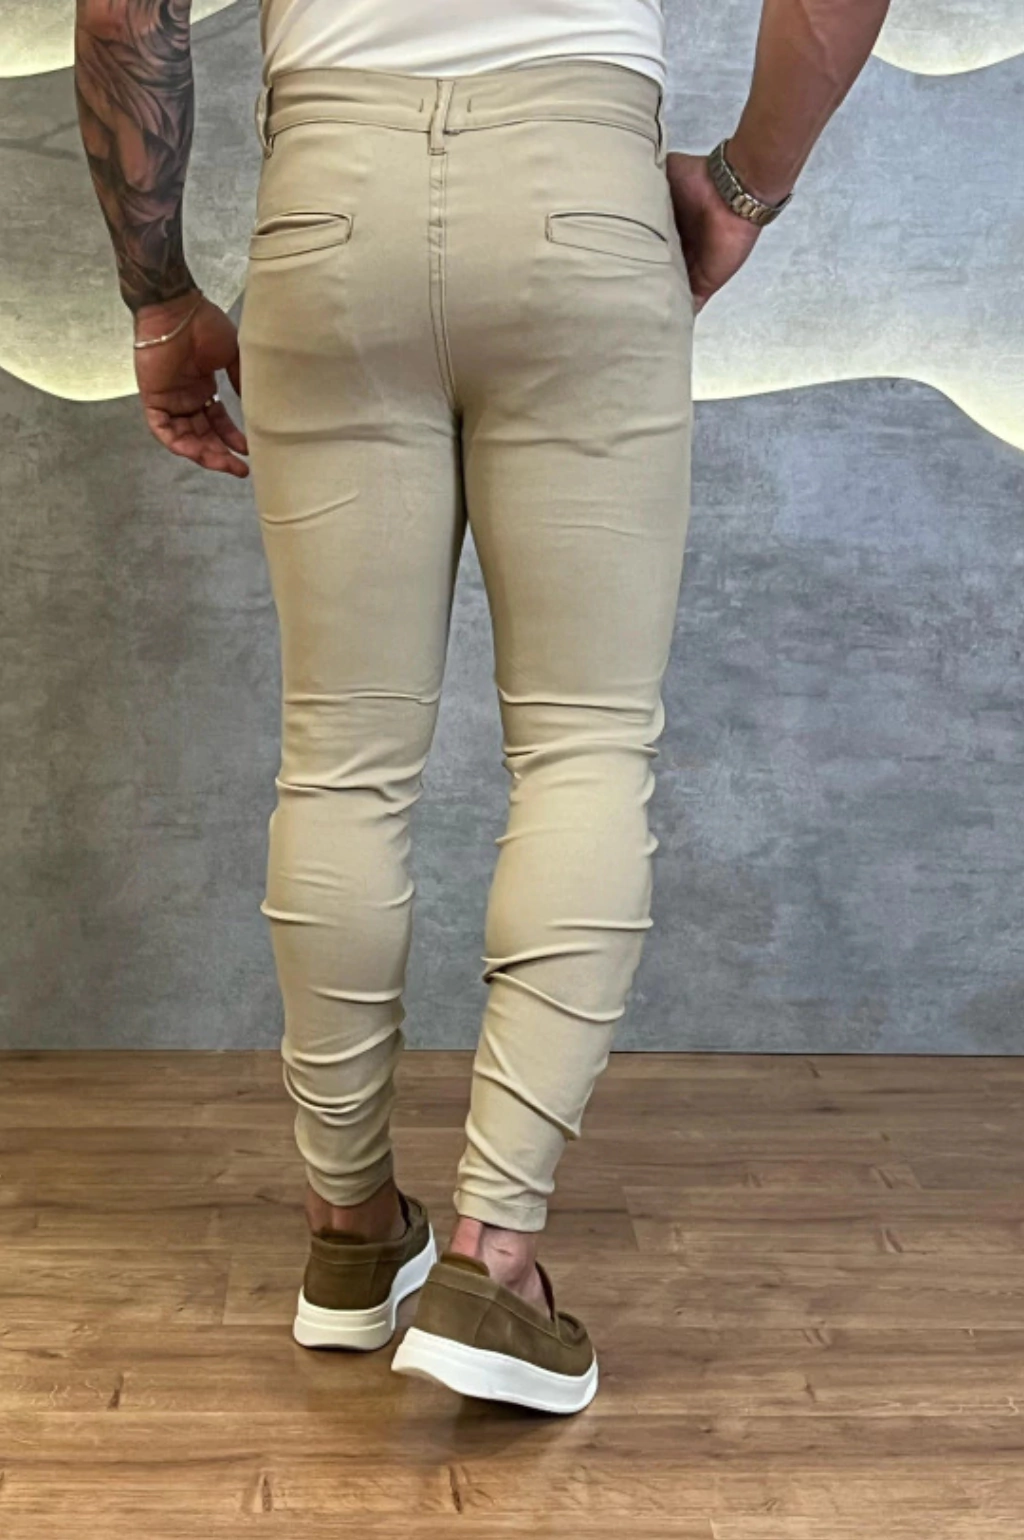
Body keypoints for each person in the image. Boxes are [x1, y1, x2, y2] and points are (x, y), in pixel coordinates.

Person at [74, 0, 892, 1414]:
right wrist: (744, 184)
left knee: (340, 762)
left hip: (330, 206)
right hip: (583, 196)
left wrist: (158, 295)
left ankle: (350, 1236)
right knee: (584, 752)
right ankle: (492, 1261)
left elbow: (121, 13)